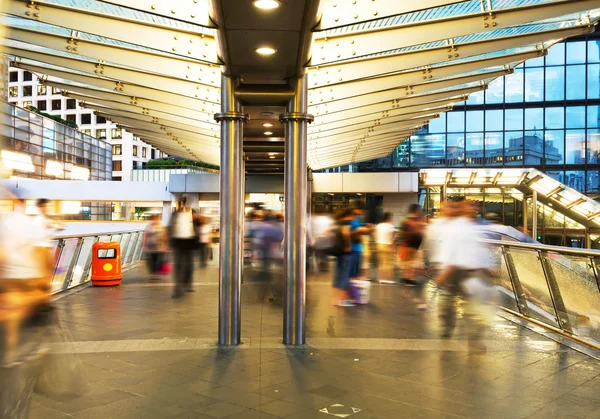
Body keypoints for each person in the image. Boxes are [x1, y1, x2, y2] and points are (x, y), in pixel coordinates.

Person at [435, 196, 489, 352]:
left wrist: (486, 267)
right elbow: (451, 249)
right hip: (455, 271)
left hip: (469, 272)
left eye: (474, 206)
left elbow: (478, 250)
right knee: (450, 301)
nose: (473, 208)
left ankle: (473, 340)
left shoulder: (474, 226)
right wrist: (446, 270)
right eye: (469, 206)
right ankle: (448, 326)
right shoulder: (456, 226)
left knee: (473, 306)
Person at [168, 197, 199, 298]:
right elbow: (171, 227)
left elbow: (198, 225)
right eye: (179, 203)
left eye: (181, 203)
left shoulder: (192, 212)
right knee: (178, 266)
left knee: (189, 265)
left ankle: (187, 283)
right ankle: (177, 288)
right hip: (177, 242)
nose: (180, 205)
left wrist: (197, 219)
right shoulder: (175, 214)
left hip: (189, 242)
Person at [398, 204, 425, 285]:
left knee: (408, 263)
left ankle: (406, 278)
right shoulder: (414, 220)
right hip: (411, 245)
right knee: (411, 263)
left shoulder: (406, 220)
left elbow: (401, 234)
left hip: (409, 245)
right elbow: (418, 232)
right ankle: (408, 279)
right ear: (416, 210)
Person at [332, 209, 354, 306]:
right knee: (344, 275)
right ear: (348, 215)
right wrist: (348, 246)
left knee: (338, 275)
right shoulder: (346, 222)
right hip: (345, 253)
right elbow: (346, 233)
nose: (352, 218)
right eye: (351, 216)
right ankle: (341, 300)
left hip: (339, 252)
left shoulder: (337, 222)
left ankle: (335, 299)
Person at [349, 206, 373, 283]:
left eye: (361, 212)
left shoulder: (358, 220)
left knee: (356, 272)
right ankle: (352, 287)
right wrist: (359, 231)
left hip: (358, 248)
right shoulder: (351, 221)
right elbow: (350, 233)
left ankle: (354, 287)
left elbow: (363, 232)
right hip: (353, 249)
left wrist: (367, 229)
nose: (360, 214)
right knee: (352, 272)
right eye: (358, 212)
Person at [143, 214, 167, 279]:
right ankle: (153, 273)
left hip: (160, 247)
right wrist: (144, 245)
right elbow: (145, 236)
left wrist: (165, 246)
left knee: (159, 260)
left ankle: (156, 272)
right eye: (154, 219)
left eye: (157, 219)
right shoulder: (148, 227)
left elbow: (164, 236)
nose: (155, 221)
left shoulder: (161, 227)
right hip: (150, 247)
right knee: (152, 261)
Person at [374, 212, 396, 284]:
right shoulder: (390, 226)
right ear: (389, 218)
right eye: (392, 217)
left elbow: (375, 235)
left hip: (379, 245)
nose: (392, 219)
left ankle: (381, 279)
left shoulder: (378, 226)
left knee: (381, 263)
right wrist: (393, 247)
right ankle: (388, 279)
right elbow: (391, 238)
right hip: (387, 245)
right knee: (388, 263)